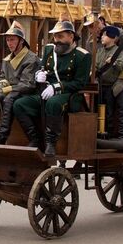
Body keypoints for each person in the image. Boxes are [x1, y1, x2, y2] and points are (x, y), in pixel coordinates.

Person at [13, 20, 91, 157]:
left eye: (60, 36)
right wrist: (39, 75)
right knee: (20, 104)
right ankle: (35, 139)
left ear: (71, 36)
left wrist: (57, 87)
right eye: (55, 37)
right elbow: (42, 68)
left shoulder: (82, 56)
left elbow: (80, 83)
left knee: (53, 103)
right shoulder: (49, 49)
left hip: (69, 94)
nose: (56, 40)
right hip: (45, 91)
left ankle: (51, 143)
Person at [0, 22, 39, 145]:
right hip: (9, 92)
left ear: (21, 41)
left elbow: (27, 84)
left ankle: (2, 137)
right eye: (7, 40)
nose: (9, 43)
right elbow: (1, 78)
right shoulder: (6, 60)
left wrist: (7, 89)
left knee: (9, 99)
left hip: (26, 93)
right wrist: (1, 85)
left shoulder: (31, 58)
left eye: (12, 40)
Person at [95, 25, 123, 149]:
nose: (102, 36)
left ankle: (121, 137)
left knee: (121, 107)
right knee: (100, 108)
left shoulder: (120, 44)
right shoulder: (99, 48)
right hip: (101, 84)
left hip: (119, 81)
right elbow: (96, 63)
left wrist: (114, 62)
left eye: (105, 35)